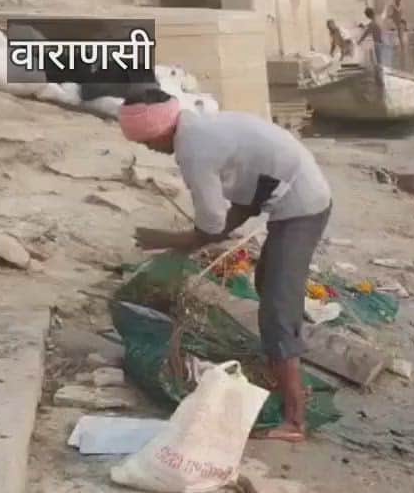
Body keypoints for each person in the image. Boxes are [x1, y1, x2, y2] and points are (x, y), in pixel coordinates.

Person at [117, 88, 333, 444]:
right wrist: (191, 240)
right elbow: (240, 206)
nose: (147, 149)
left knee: (277, 310)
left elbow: (212, 225)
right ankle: (285, 364)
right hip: (285, 194)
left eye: (146, 141)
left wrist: (170, 241)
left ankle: (295, 419)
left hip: (302, 205)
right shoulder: (201, 130)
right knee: (268, 284)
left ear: (157, 130)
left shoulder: (194, 150)